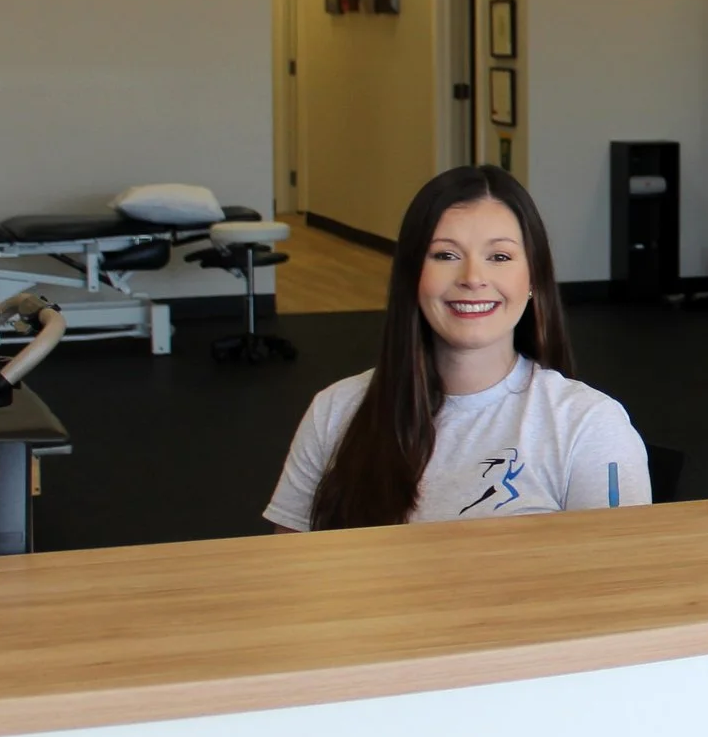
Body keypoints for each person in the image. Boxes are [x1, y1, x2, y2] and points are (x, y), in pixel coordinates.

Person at [264, 166, 651, 531]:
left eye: (499, 256)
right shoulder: (335, 411)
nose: (472, 278)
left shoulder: (588, 426)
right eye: (445, 255)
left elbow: (619, 586)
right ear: (413, 275)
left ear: (533, 278)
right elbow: (295, 577)